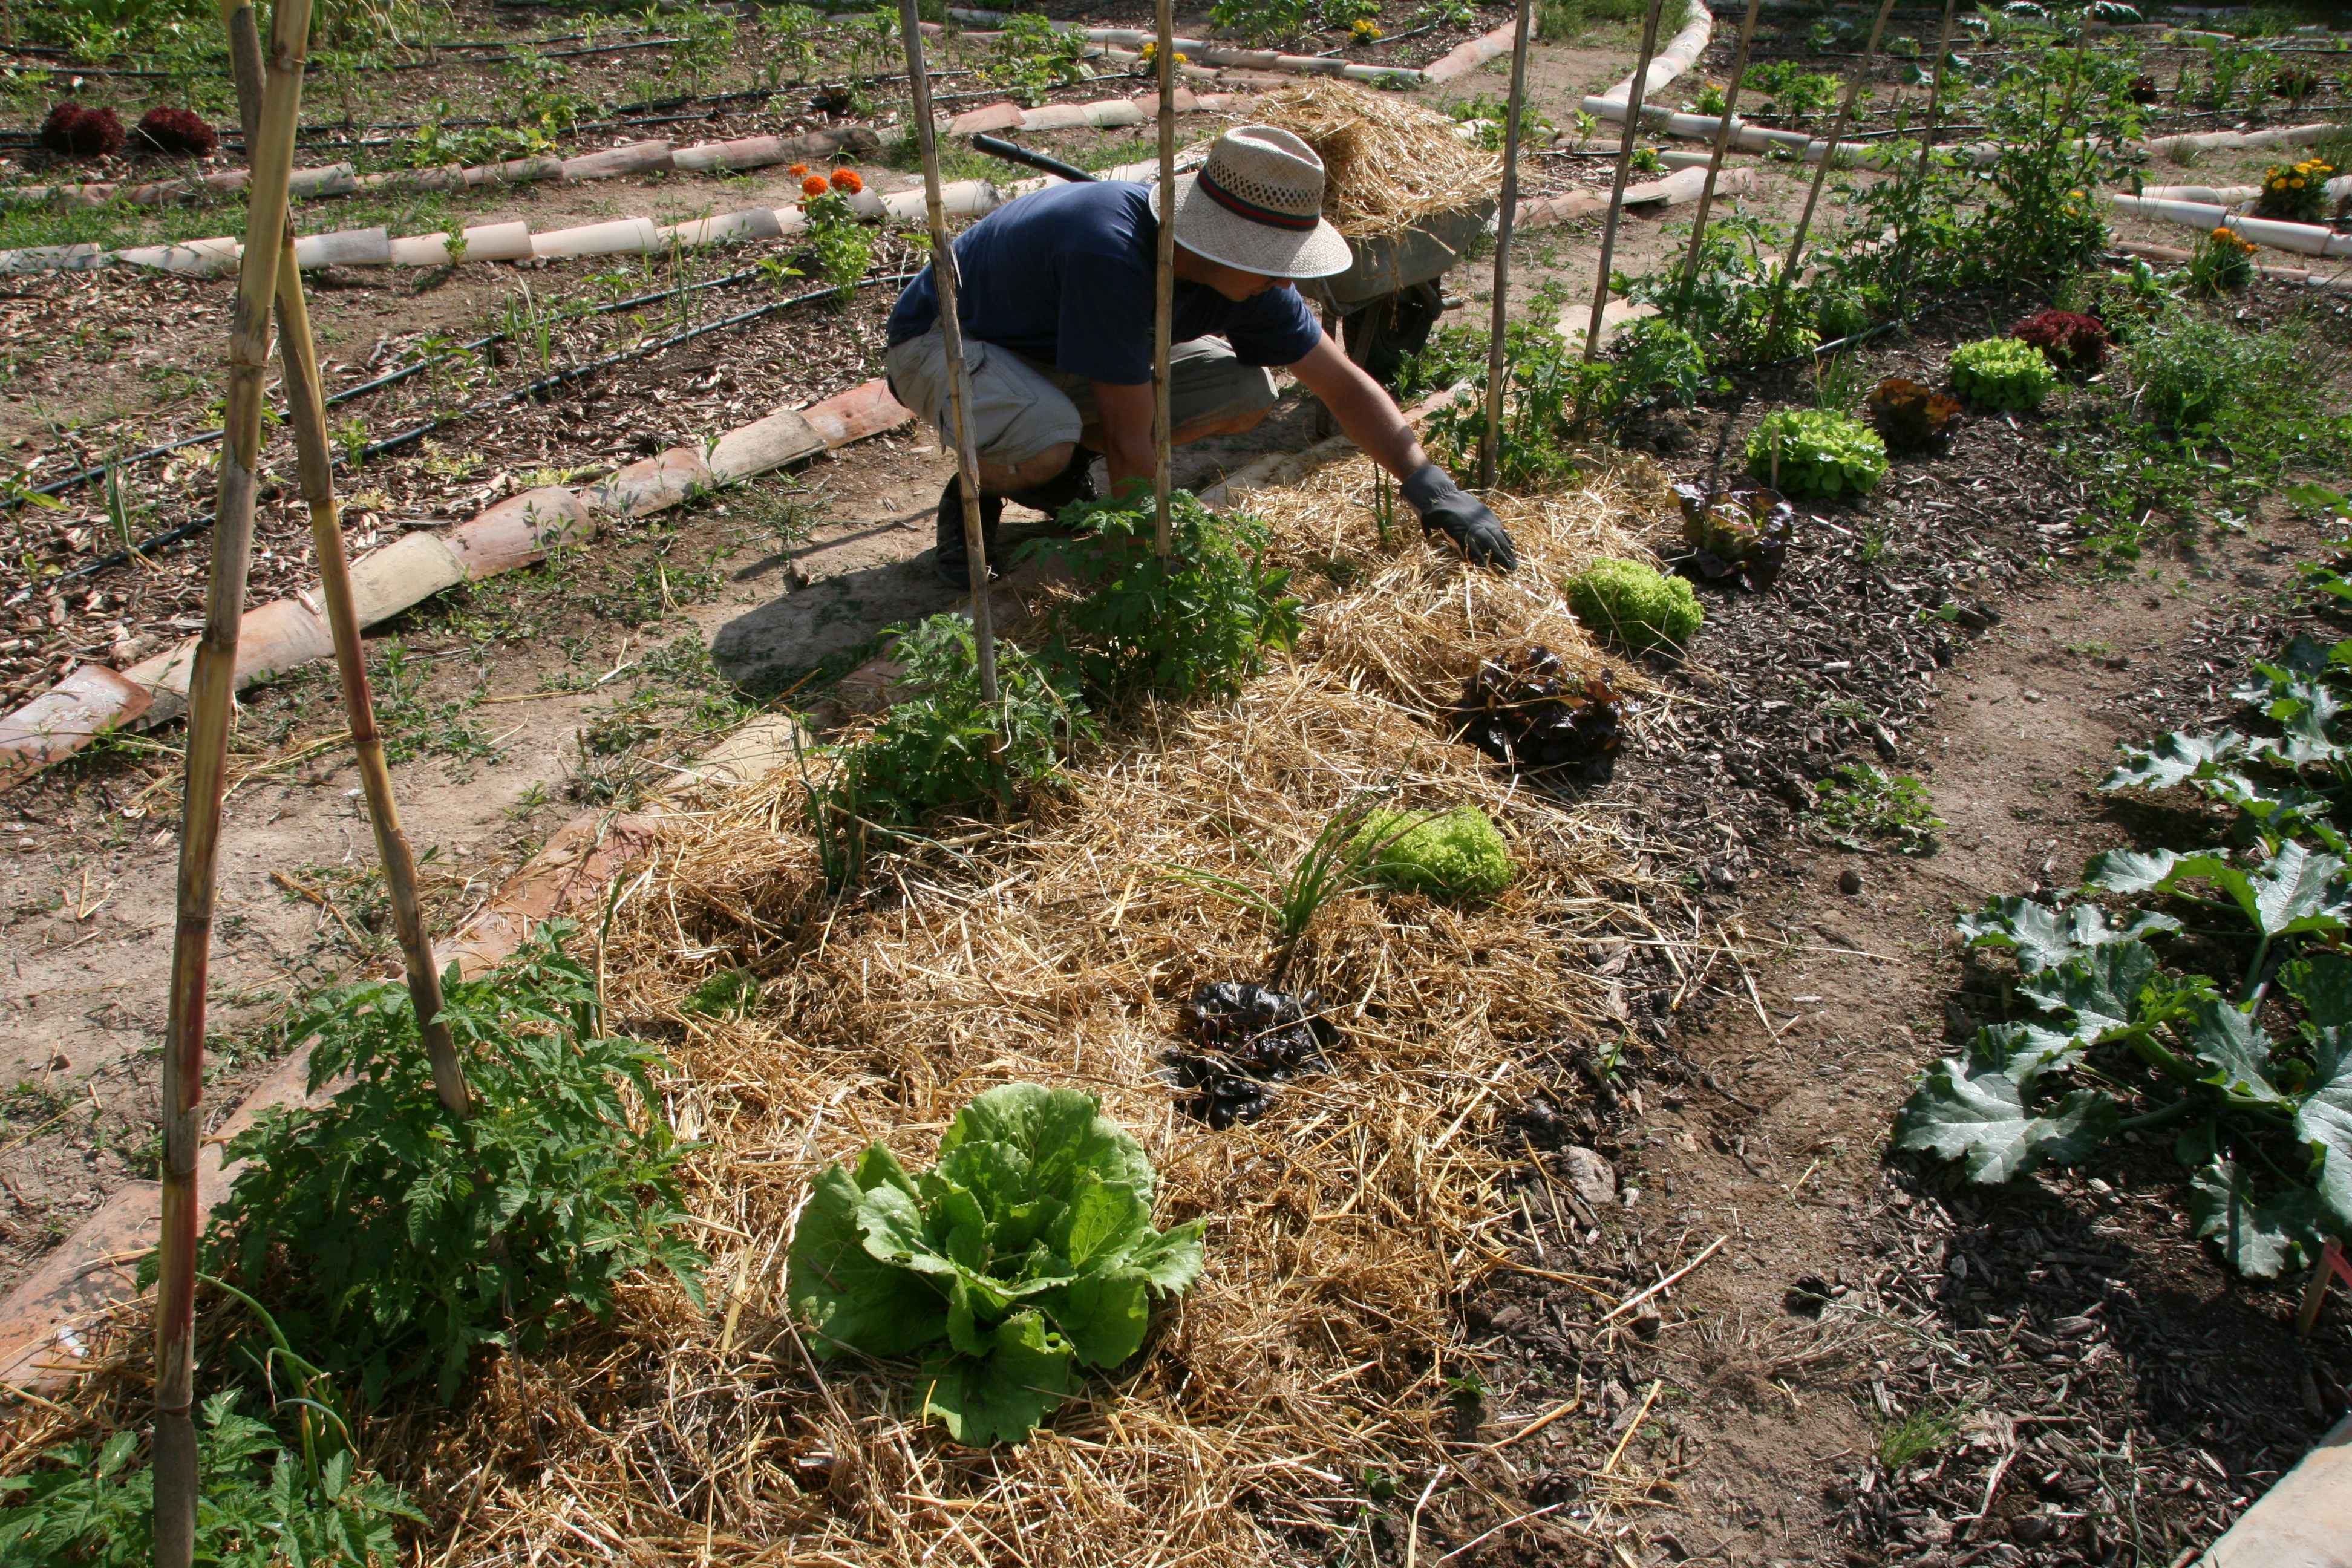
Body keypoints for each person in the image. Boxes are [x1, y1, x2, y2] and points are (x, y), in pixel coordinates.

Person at [882, 123, 1518, 588]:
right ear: (1222, 247)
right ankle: (983, 479)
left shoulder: (1252, 283)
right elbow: (1134, 443)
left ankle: (1055, 460)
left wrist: (1429, 485)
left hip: (1052, 345)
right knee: (1046, 443)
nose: (1283, 280)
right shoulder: (1111, 253)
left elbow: (1341, 384)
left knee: (1246, 393)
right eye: (1273, 265)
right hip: (947, 339)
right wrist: (1146, 571)